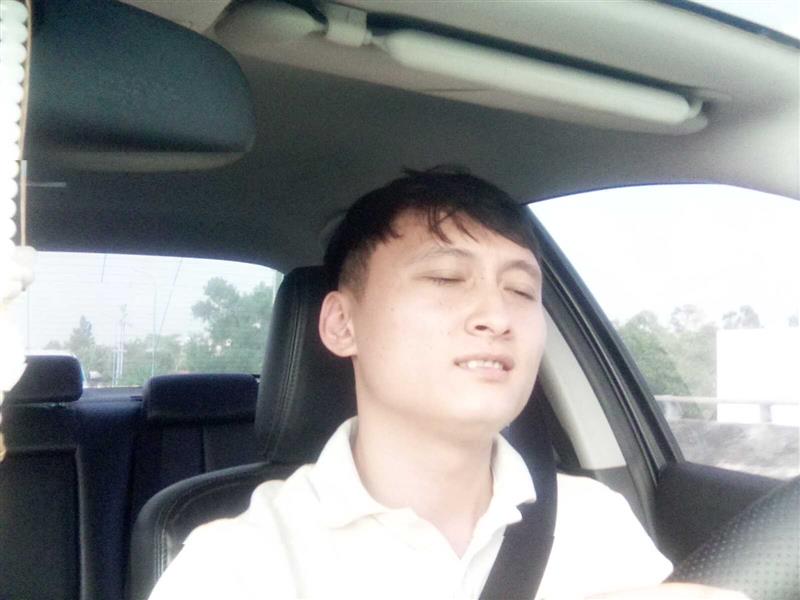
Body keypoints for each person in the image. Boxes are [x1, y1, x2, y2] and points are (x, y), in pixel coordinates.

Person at [148, 169, 747, 599]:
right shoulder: (241, 564)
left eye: (521, 290)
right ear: (342, 324)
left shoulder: (594, 520)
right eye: (445, 278)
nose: (497, 315)